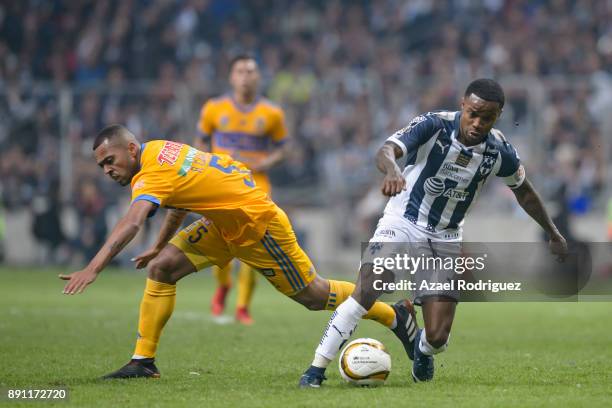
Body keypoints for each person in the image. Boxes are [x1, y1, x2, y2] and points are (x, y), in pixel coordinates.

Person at [58, 124, 418, 379]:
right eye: (102, 165)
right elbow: (180, 203)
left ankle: (394, 315)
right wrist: (158, 246)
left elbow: (132, 221)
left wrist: (93, 267)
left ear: (131, 150)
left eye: (110, 161)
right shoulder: (158, 150)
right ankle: (143, 361)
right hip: (222, 224)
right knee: (163, 267)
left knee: (312, 294)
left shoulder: (150, 174)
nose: (107, 170)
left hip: (255, 224)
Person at [299, 79, 568, 387]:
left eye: (487, 117)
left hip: (445, 238)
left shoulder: (499, 151)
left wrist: (553, 232)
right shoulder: (434, 125)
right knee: (367, 290)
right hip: (401, 220)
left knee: (438, 337)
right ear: (463, 105)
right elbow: (387, 149)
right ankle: (315, 369)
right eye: (473, 114)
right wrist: (392, 169)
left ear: (499, 115)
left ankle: (422, 349)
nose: (478, 123)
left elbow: (525, 192)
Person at [195, 55, 288, 325]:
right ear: (231, 77)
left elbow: (283, 148)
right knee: (218, 242)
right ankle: (223, 285)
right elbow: (200, 142)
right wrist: (206, 168)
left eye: (251, 71)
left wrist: (265, 161)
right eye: (240, 71)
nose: (246, 76)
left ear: (258, 77)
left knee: (251, 245)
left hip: (255, 183)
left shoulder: (272, 113)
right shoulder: (214, 108)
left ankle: (242, 306)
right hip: (220, 184)